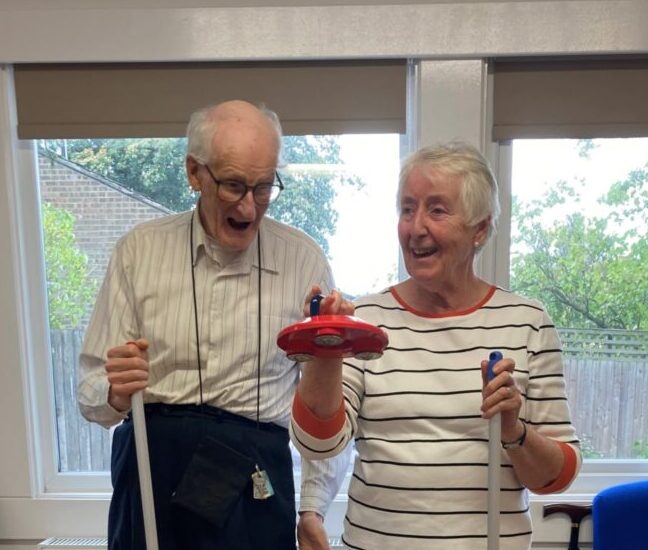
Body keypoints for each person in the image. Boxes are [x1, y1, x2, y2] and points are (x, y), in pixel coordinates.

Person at [78, 100, 349, 550]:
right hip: (151, 474)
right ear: (194, 173)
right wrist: (114, 392)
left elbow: (319, 403)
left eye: (264, 187)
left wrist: (313, 508)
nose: (250, 205)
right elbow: (90, 391)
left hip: (256, 486)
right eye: (234, 185)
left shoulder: (305, 262)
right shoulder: (139, 253)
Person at [290, 142, 582, 550]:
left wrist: (514, 430)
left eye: (437, 210)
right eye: (408, 209)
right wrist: (325, 351)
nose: (416, 226)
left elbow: (557, 477)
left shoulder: (527, 323)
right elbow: (318, 443)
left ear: (480, 228)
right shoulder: (366, 322)